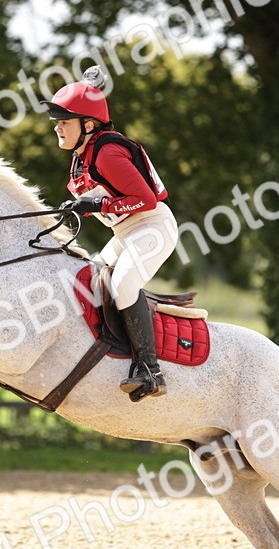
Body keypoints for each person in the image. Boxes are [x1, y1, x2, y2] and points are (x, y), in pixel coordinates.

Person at [41, 66, 178, 402]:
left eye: (65, 121)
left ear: (88, 125)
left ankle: (149, 369)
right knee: (88, 279)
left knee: (123, 284)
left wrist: (96, 206)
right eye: (57, 120)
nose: (57, 126)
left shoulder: (107, 152)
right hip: (126, 233)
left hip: (151, 227)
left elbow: (145, 200)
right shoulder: (81, 157)